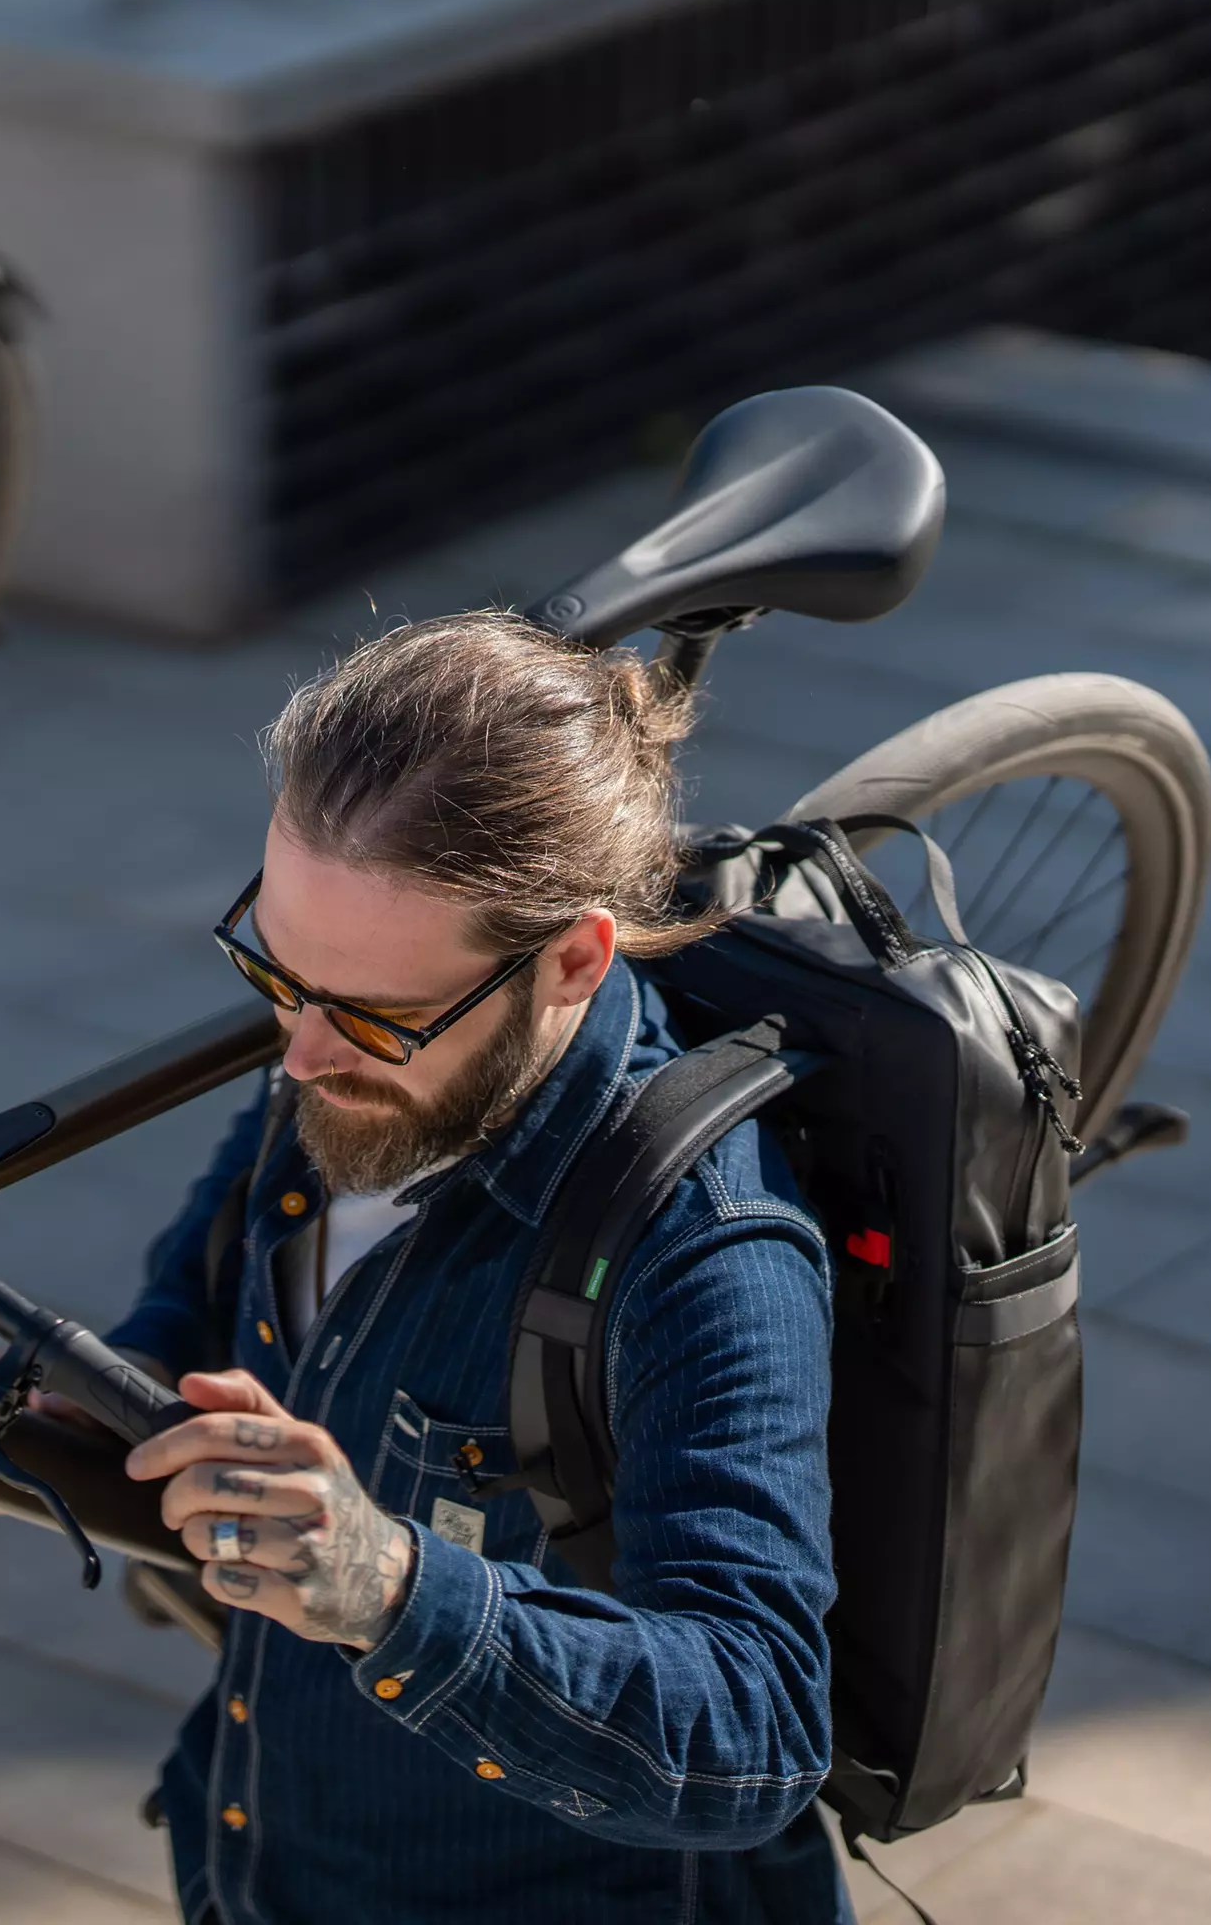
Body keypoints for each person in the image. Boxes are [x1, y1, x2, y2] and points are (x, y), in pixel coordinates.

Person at [96, 612, 846, 1923]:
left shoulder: (708, 1250)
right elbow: (210, 1282)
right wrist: (122, 1377)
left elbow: (759, 1731)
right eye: (272, 969)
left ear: (569, 959)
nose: (299, 1057)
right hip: (263, 1859)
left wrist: (387, 1587)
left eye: (374, 1016)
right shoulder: (360, 1045)